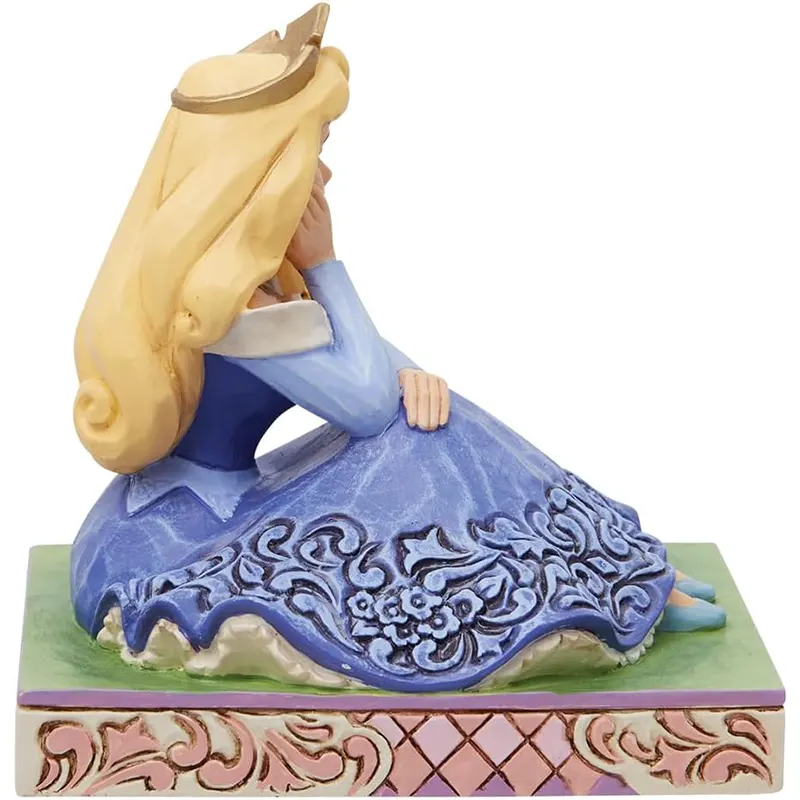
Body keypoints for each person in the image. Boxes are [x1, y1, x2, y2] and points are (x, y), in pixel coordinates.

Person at [71, 12, 725, 693]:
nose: (324, 171)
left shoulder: (244, 285)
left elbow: (377, 373)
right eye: (312, 150)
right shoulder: (225, 308)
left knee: (432, 415)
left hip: (218, 494)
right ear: (258, 172)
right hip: (190, 529)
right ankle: (606, 579)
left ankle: (612, 569)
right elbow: (369, 402)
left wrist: (410, 374)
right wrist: (325, 263)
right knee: (421, 434)